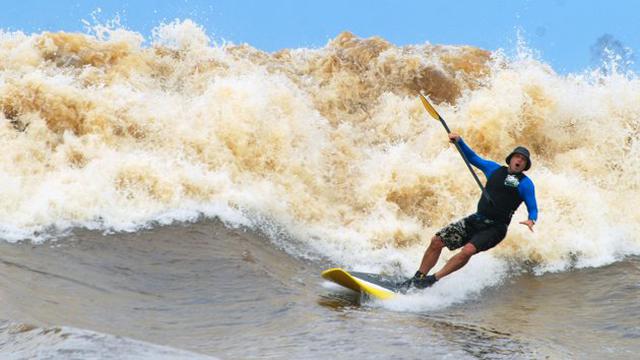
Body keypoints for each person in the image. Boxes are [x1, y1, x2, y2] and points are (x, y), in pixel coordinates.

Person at [401, 132, 538, 289]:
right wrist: (459, 142)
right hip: (477, 219)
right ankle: (418, 278)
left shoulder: (526, 184)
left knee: (467, 250)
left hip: (496, 228)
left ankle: (431, 280)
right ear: (511, 158)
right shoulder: (493, 169)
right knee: (437, 241)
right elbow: (473, 158)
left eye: (523, 159)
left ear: (525, 165)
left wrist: (531, 219)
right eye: (517, 157)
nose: (519, 160)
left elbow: (533, 207)